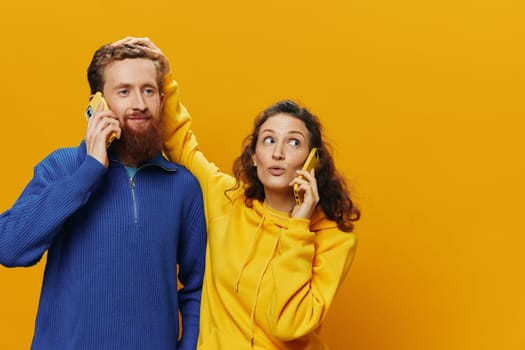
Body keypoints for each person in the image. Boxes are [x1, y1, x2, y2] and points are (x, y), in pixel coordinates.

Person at [116, 37, 360, 349]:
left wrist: (298, 225)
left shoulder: (334, 240)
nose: (279, 153)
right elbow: (180, 142)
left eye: (294, 142)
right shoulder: (227, 200)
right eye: (269, 140)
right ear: (254, 156)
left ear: (313, 161)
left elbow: (288, 325)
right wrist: (163, 75)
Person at [0, 41, 206, 350]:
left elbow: (198, 287)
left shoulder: (183, 186)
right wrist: (90, 169)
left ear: (162, 100)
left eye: (148, 91)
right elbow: (9, 247)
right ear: (97, 104)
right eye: (124, 91)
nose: (139, 103)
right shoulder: (62, 167)